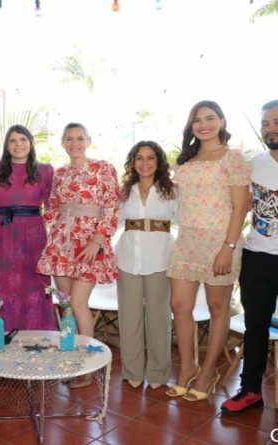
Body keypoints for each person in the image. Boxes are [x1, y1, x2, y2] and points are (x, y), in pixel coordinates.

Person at [221, 100, 278, 427]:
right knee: (255, 327)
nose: (271, 128)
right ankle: (249, 390)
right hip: (256, 258)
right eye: (265, 123)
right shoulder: (254, 163)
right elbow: (241, 204)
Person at [166, 101, 250, 401]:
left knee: (217, 308)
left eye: (210, 118)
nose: (204, 124)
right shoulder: (184, 161)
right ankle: (188, 366)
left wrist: (228, 248)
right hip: (188, 238)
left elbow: (241, 207)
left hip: (220, 241)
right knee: (179, 304)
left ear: (222, 122)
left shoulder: (233, 158)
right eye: (197, 119)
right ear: (191, 125)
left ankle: (208, 371)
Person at [36, 122, 119, 388]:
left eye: (79, 138)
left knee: (79, 303)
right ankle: (70, 359)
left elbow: (112, 206)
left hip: (89, 244)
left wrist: (98, 240)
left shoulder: (103, 168)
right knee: (67, 305)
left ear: (88, 140)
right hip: (62, 243)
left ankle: (86, 367)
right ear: (62, 142)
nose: (74, 143)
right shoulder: (59, 173)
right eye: (69, 138)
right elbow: (50, 210)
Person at [0, 125, 55, 335]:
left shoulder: (45, 170)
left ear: (31, 143)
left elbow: (51, 207)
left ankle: (35, 336)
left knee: (33, 286)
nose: (18, 144)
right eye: (12, 140)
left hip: (33, 238)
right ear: (6, 145)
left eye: (23, 139)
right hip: (0, 236)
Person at [114, 141, 178, 390]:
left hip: (161, 257)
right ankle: (132, 370)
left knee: (159, 317)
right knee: (129, 317)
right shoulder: (123, 190)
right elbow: (112, 222)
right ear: (132, 162)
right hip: (127, 257)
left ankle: (159, 373)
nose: (144, 163)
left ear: (159, 162)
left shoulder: (172, 190)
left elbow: (185, 220)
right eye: (139, 158)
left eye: (150, 158)